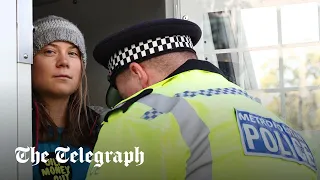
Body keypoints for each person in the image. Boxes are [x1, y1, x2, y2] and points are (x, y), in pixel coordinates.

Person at [86, 18, 318, 180]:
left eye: (119, 90)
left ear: (138, 73)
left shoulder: (137, 115)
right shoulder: (271, 118)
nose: (121, 99)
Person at [32, 15, 102, 180]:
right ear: (29, 63)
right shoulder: (10, 129)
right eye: (50, 51)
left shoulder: (101, 127)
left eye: (72, 53)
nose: (64, 62)